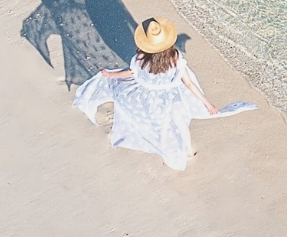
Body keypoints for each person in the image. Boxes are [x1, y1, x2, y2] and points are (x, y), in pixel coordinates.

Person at [72, 17, 255, 170]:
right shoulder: (175, 57)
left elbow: (131, 73)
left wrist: (110, 75)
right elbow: (189, 84)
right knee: (182, 123)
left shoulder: (141, 58)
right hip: (173, 97)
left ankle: (169, 153)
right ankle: (189, 151)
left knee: (162, 127)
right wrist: (208, 104)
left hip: (150, 99)